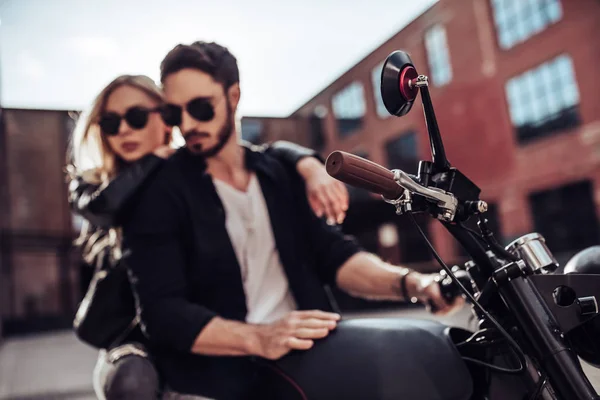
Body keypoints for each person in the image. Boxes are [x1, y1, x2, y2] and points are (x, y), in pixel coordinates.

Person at [122, 41, 462, 400]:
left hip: (309, 367)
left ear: (233, 96)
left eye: (201, 108)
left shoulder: (280, 172)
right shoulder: (157, 193)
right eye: (175, 114)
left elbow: (334, 256)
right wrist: (259, 338)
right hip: (215, 384)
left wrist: (415, 285)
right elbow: (162, 314)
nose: (187, 125)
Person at [66, 74, 350, 399]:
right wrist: (153, 160)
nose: (125, 130)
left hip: (187, 335)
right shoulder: (93, 185)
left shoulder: (188, 170)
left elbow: (261, 154)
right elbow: (103, 207)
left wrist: (309, 164)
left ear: (166, 119)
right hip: (130, 340)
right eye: (111, 122)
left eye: (136, 117)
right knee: (132, 382)